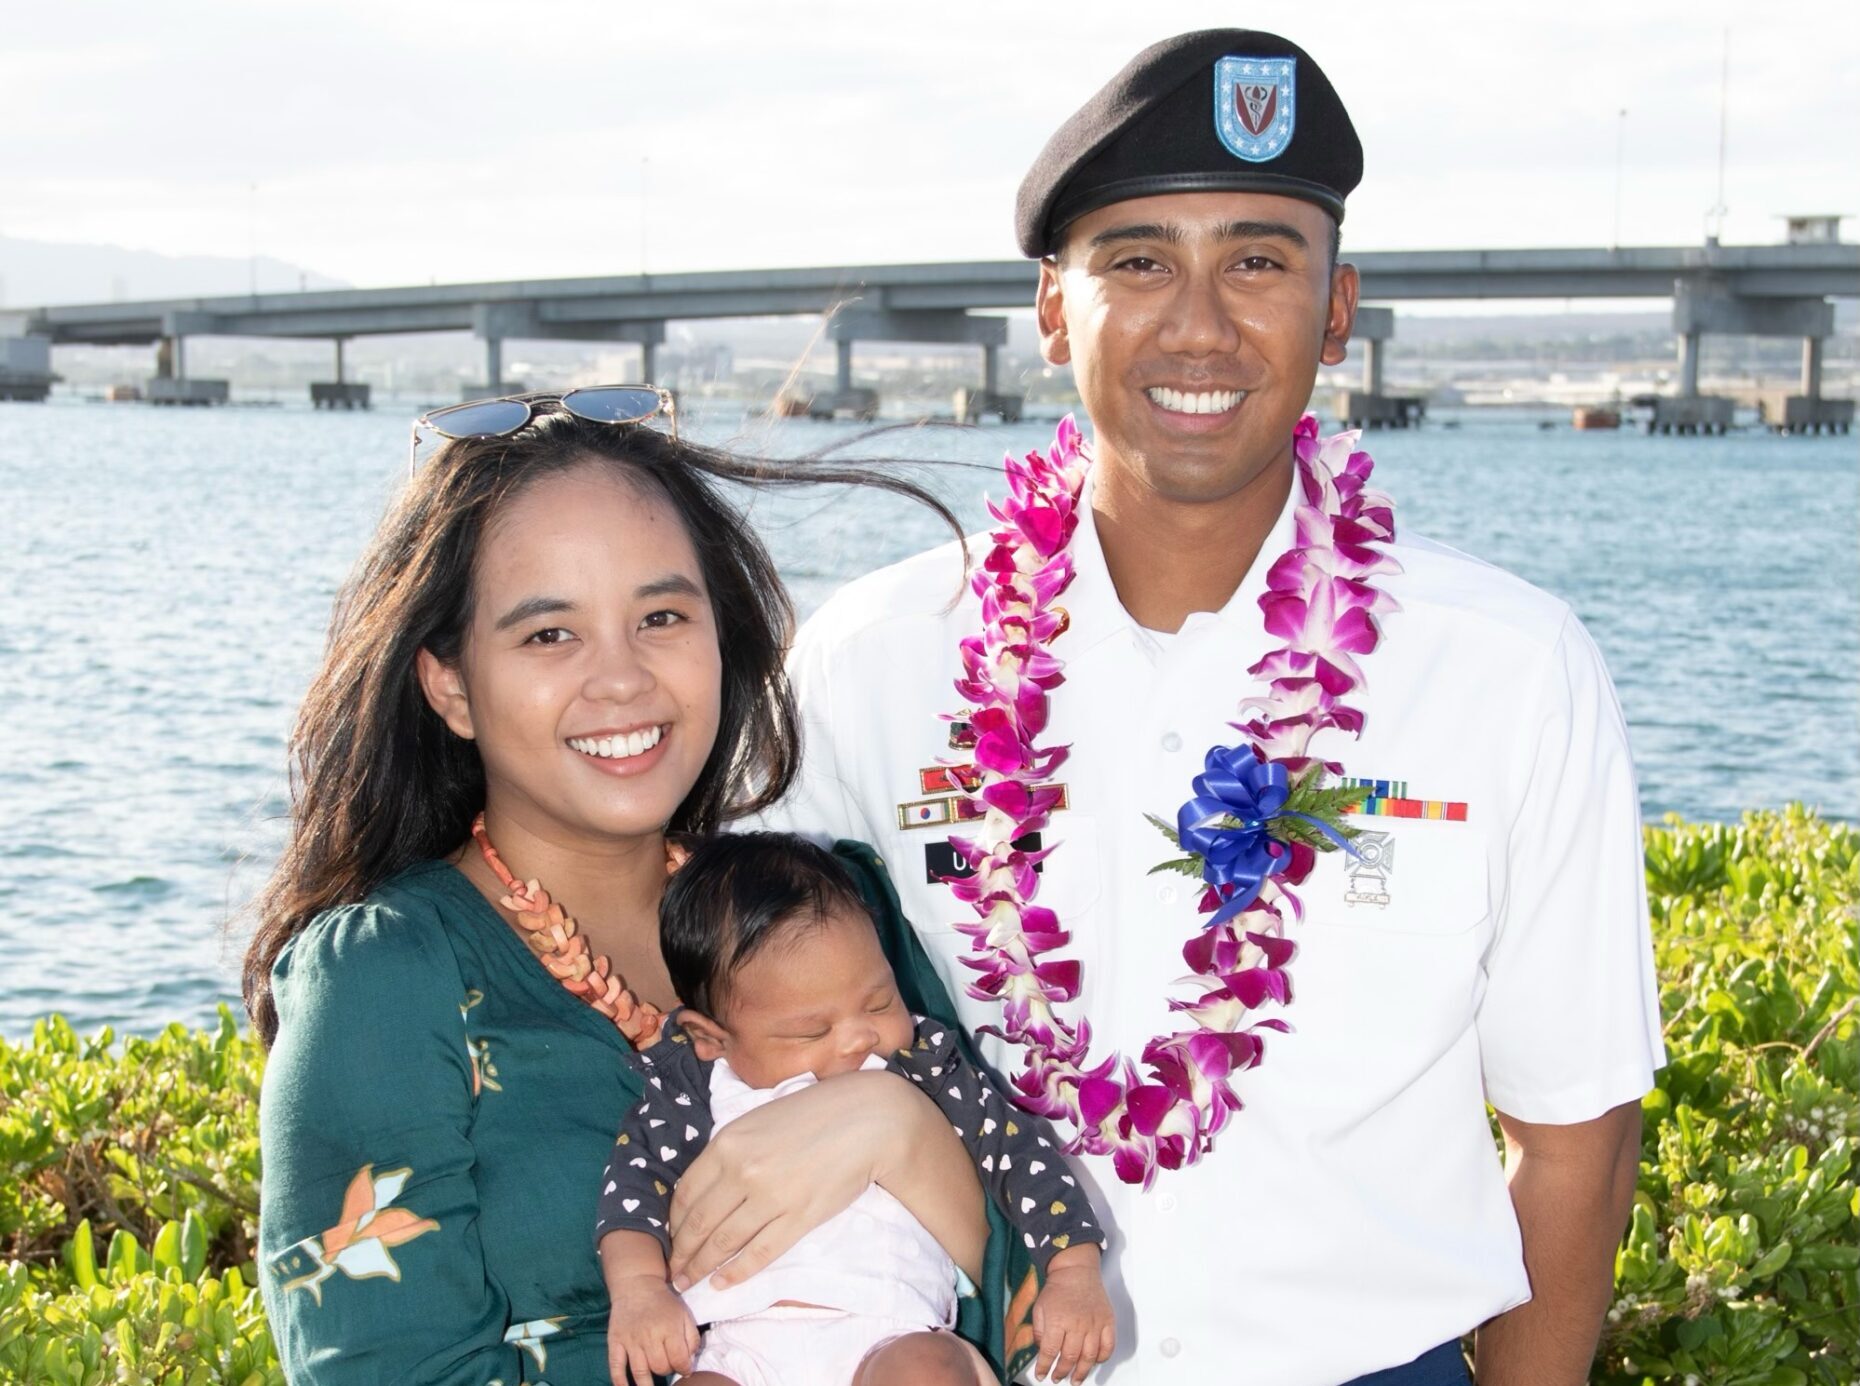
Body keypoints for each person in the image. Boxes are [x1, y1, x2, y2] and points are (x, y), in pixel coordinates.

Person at [767, 31, 1664, 1386]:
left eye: (1257, 259)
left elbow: (1578, 1130)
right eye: (1137, 261)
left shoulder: (1510, 671)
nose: (1199, 322)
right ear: (1054, 310)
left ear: (1338, 305)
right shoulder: (870, 664)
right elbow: (745, 1041)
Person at [246, 394, 1025, 1383]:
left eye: (661, 616)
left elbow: (1032, 1321)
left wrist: (898, 1131)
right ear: (448, 684)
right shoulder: (387, 982)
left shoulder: (827, 908)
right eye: (548, 635)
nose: (621, 679)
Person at [596, 830, 1114, 1386]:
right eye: (812, 1030)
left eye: (879, 1000)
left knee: (925, 1374)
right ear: (711, 1038)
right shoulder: (693, 1088)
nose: (857, 1038)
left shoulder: (920, 1062)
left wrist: (1074, 1270)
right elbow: (631, 1190)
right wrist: (640, 1290)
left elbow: (1018, 1153)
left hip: (891, 1329)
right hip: (738, 1346)